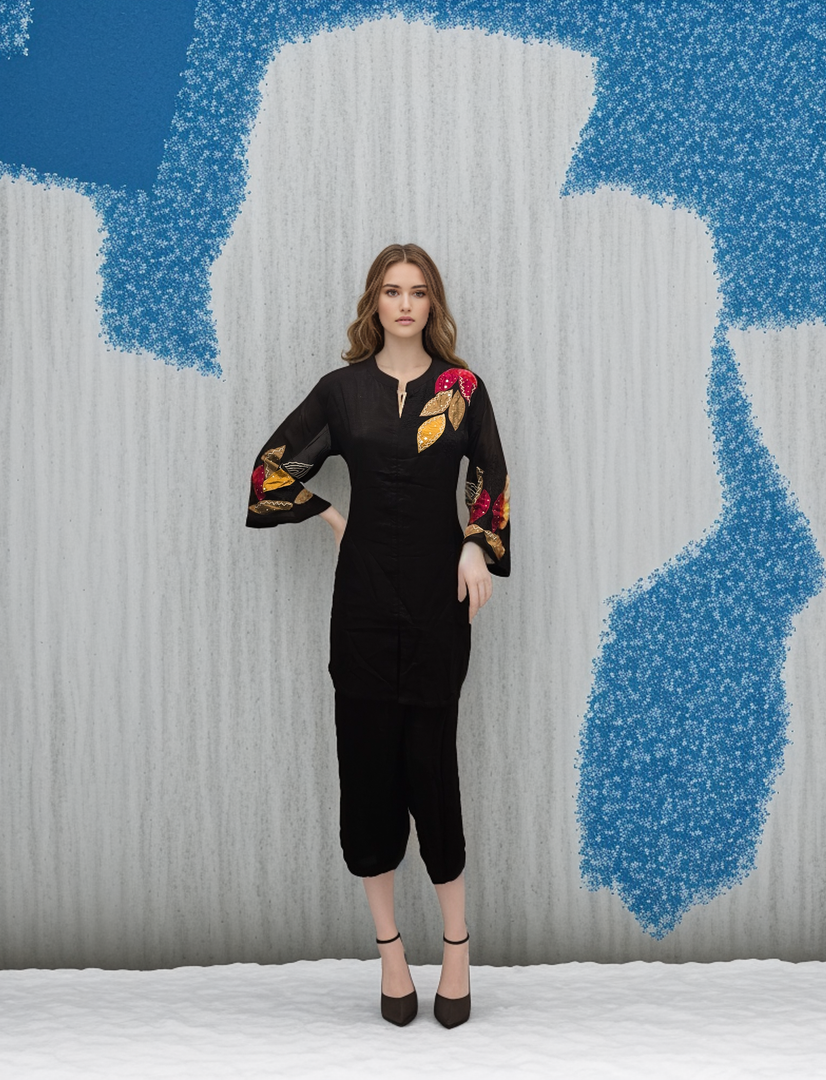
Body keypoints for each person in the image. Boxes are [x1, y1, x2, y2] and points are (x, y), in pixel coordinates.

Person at [245, 243, 511, 1029]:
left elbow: (490, 478)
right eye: (392, 291)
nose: (404, 304)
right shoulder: (342, 391)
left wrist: (473, 543)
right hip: (360, 605)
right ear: (374, 301)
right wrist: (330, 516)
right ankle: (391, 952)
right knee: (367, 775)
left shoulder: (462, 389)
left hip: (437, 604)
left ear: (434, 304)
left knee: (433, 771)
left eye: (418, 292)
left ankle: (458, 951)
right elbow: (269, 471)